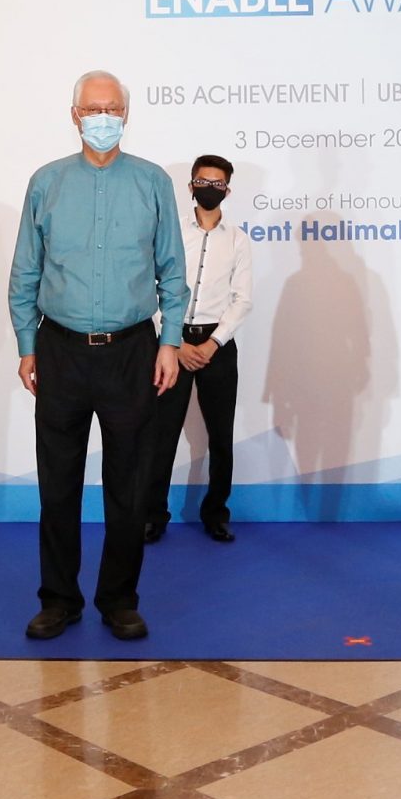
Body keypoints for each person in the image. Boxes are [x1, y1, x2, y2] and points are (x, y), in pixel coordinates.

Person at [8, 71, 187, 641]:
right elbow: (25, 271)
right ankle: (58, 599)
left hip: (133, 351)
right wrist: (26, 344)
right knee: (56, 483)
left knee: (128, 485)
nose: (102, 116)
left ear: (126, 115)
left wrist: (170, 341)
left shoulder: (153, 182)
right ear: (74, 114)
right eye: (93, 108)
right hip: (59, 350)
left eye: (112, 107)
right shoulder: (47, 183)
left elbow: (173, 271)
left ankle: (119, 598)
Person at [145, 154, 253, 545]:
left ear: (227, 189)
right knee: (161, 435)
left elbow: (242, 300)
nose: (211, 188)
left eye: (218, 183)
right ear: (191, 186)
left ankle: (216, 514)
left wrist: (211, 343)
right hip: (170, 344)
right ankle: (153, 515)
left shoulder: (239, 239)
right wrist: (171, 342)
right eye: (203, 182)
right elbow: (152, 287)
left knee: (221, 437)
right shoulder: (170, 231)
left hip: (217, 345)